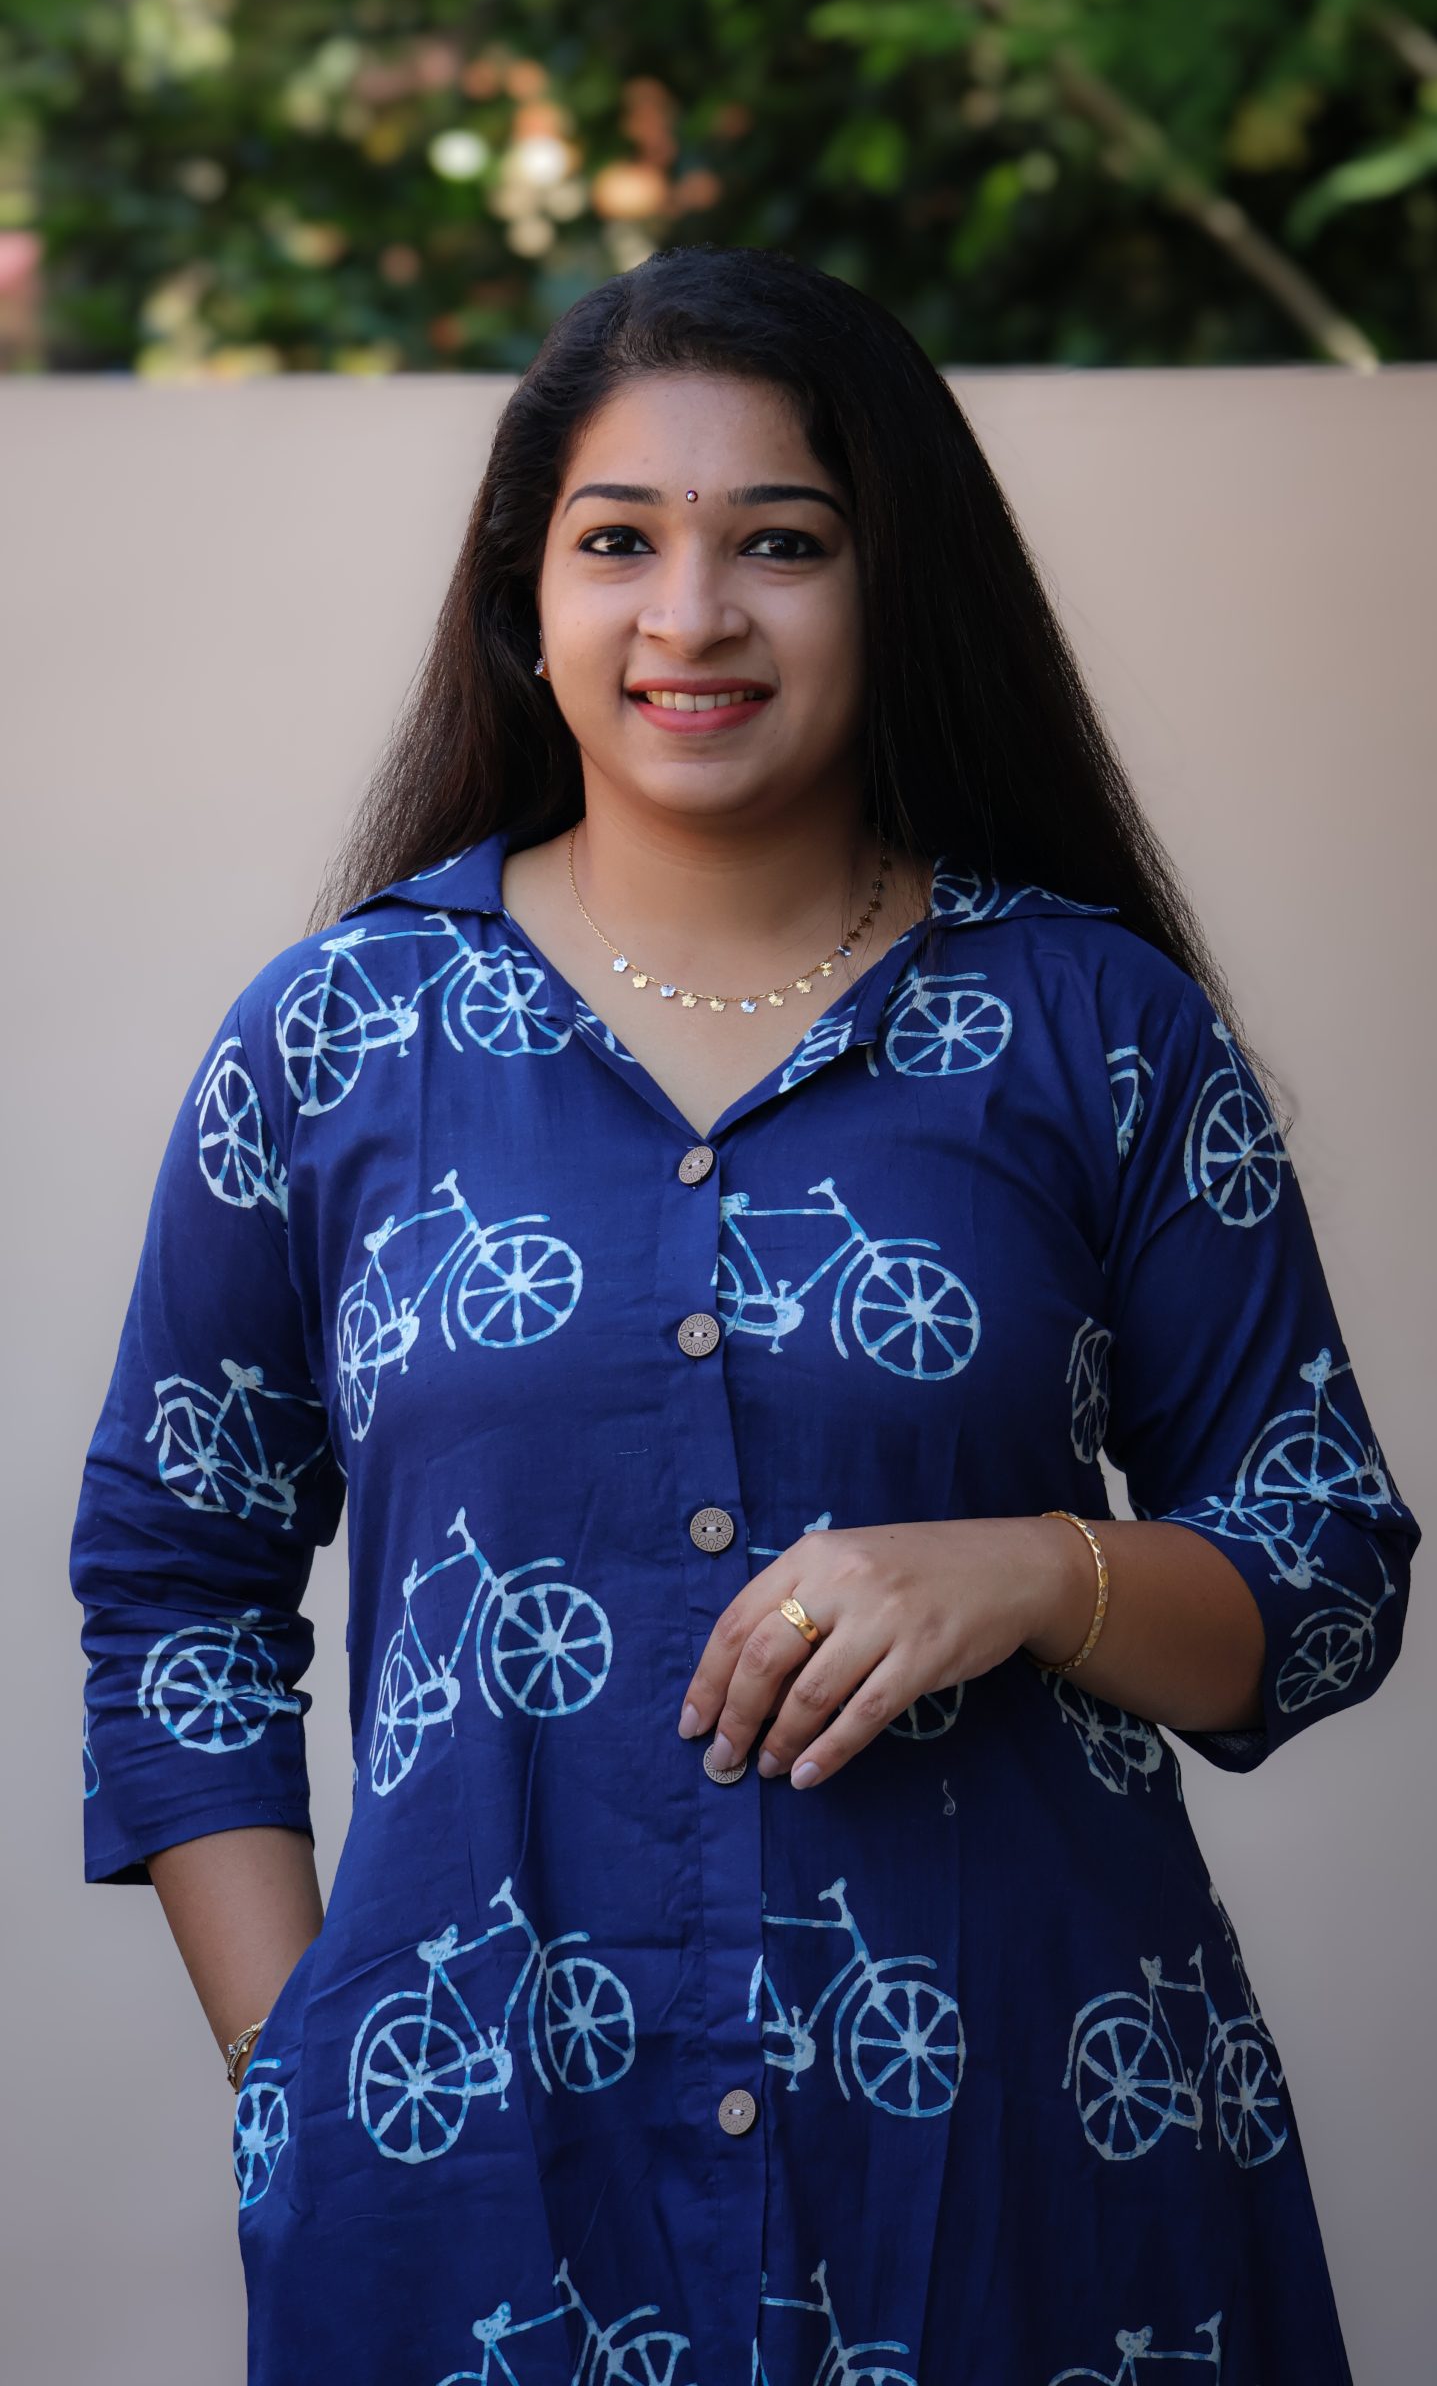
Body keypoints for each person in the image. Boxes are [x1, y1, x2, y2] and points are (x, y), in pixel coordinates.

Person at [70, 243, 1418, 2386]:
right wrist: (294, 2071)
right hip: (484, 2210)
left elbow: (1323, 1565)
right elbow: (173, 1587)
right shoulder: (334, 1043)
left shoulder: (1094, 1028)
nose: (689, 615)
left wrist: (1034, 1568)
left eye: (779, 542)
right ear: (524, 598)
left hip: (1034, 2184)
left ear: (894, 587)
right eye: (618, 542)